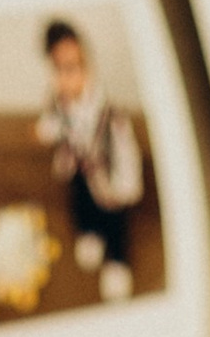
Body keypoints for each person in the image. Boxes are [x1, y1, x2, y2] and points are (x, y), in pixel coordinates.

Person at [35, 18, 143, 304]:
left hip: (108, 176)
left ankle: (117, 261)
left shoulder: (107, 112)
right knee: (81, 203)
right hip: (79, 170)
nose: (67, 77)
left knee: (113, 219)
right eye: (59, 69)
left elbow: (122, 148)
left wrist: (126, 184)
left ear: (87, 64)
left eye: (74, 67)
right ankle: (89, 232)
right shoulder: (58, 102)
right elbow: (54, 125)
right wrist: (47, 129)